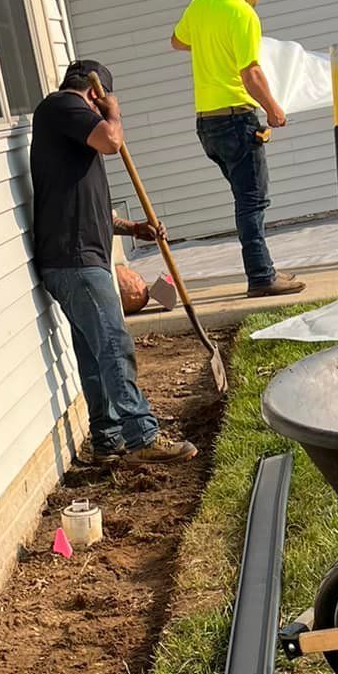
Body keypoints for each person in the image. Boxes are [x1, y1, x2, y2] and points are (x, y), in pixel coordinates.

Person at [29, 60, 197, 465]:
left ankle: (108, 439)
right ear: (95, 93)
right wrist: (113, 111)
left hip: (74, 259)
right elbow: (111, 140)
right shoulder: (64, 107)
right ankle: (142, 435)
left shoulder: (68, 127)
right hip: (75, 260)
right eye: (101, 102)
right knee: (114, 343)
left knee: (93, 350)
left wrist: (131, 227)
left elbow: (87, 205)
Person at [172, 0, 305, 299]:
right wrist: (274, 109)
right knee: (252, 202)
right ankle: (262, 276)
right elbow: (251, 72)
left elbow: (177, 41)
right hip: (236, 121)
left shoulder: (201, 3)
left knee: (244, 200)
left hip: (207, 125)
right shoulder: (243, 13)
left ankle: (264, 268)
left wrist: (210, 46)